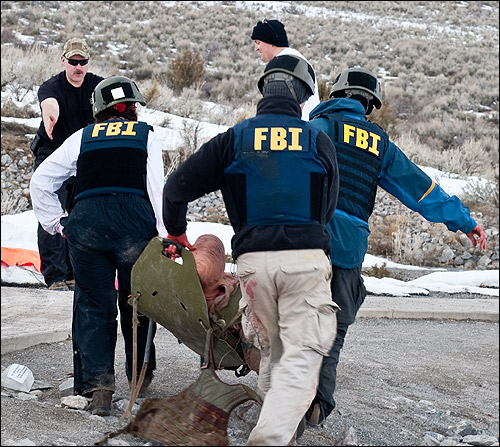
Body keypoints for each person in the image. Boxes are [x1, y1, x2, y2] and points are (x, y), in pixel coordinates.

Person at [162, 54, 340, 446]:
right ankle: (270, 440)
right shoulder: (317, 139)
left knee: (272, 350)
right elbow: (328, 207)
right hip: (304, 261)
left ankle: (281, 433)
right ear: (303, 96)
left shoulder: (234, 138)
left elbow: (175, 189)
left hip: (252, 266)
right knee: (302, 356)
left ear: (265, 94)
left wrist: (177, 235)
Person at [304, 66, 488, 428]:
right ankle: (318, 405)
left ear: (335, 95)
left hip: (307, 243)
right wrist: (465, 221)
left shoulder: (316, 129)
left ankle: (283, 398)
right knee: (333, 331)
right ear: (369, 105)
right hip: (348, 251)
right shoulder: (378, 143)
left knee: (292, 322)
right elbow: (421, 190)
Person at [30, 76, 168, 416]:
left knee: (93, 304)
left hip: (88, 226)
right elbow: (158, 190)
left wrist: (57, 223)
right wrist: (167, 235)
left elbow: (41, 181)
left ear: (99, 110)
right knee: (137, 302)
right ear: (130, 109)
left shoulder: (82, 137)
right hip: (134, 228)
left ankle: (99, 390)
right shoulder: (146, 136)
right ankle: (139, 375)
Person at [30, 37, 104, 291]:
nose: (78, 67)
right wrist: (50, 113)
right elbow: (48, 101)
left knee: (80, 213)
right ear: (64, 61)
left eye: (82, 62)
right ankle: (55, 277)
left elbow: (116, 101)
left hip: (82, 158)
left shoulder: (97, 86)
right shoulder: (52, 86)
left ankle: (74, 273)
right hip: (52, 154)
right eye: (73, 62)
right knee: (52, 211)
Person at [251, 18, 320, 121]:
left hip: (294, 131)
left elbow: (279, 111)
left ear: (270, 41)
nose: (256, 48)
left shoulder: (285, 65)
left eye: (258, 42)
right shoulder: (296, 61)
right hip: (305, 129)